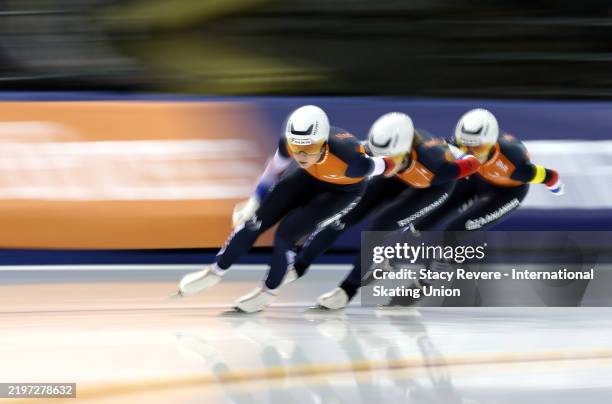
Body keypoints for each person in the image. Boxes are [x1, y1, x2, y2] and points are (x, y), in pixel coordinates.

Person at [175, 105, 396, 312]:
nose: (301, 155)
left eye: (308, 148)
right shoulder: (289, 145)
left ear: (323, 143)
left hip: (341, 193)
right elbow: (273, 171)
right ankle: (215, 271)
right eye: (297, 148)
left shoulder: (354, 162)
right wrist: (254, 201)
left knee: (286, 235)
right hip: (309, 178)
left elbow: (388, 164)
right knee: (254, 221)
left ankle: (269, 291)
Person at [287, 112, 481, 309]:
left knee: (379, 228)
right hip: (396, 178)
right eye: (381, 156)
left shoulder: (436, 163)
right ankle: (299, 266)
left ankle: (347, 290)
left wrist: (465, 156)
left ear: (406, 150)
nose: (385, 161)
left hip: (431, 187)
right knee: (345, 215)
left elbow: (473, 163)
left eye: (391, 156)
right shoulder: (379, 152)